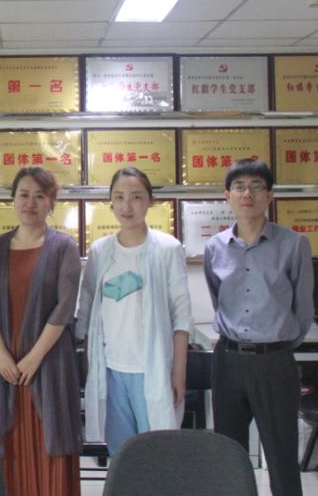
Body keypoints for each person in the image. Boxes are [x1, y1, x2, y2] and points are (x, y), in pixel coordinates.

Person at [204, 159, 312, 496]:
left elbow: (304, 309)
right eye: (239, 187)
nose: (247, 193)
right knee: (229, 454)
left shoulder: (294, 244)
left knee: (281, 455)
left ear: (269, 195)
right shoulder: (214, 247)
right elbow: (218, 298)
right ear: (227, 195)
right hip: (228, 360)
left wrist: (276, 344)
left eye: (256, 186)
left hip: (274, 362)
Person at [0, 168, 83, 495]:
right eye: (24, 194)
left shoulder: (64, 246)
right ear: (12, 199)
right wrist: (0, 355)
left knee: (50, 440)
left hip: (49, 363)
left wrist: (34, 358)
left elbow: (65, 307)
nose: (30, 203)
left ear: (51, 202)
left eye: (40, 196)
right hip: (6, 366)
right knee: (7, 444)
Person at [75, 167, 191, 455]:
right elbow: (88, 316)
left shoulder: (167, 249)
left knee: (156, 451)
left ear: (150, 201)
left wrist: (178, 374)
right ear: (111, 202)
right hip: (111, 370)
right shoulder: (100, 251)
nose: (127, 206)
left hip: (153, 369)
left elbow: (181, 317)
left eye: (136, 197)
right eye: (119, 197)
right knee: (121, 452)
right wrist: (91, 370)